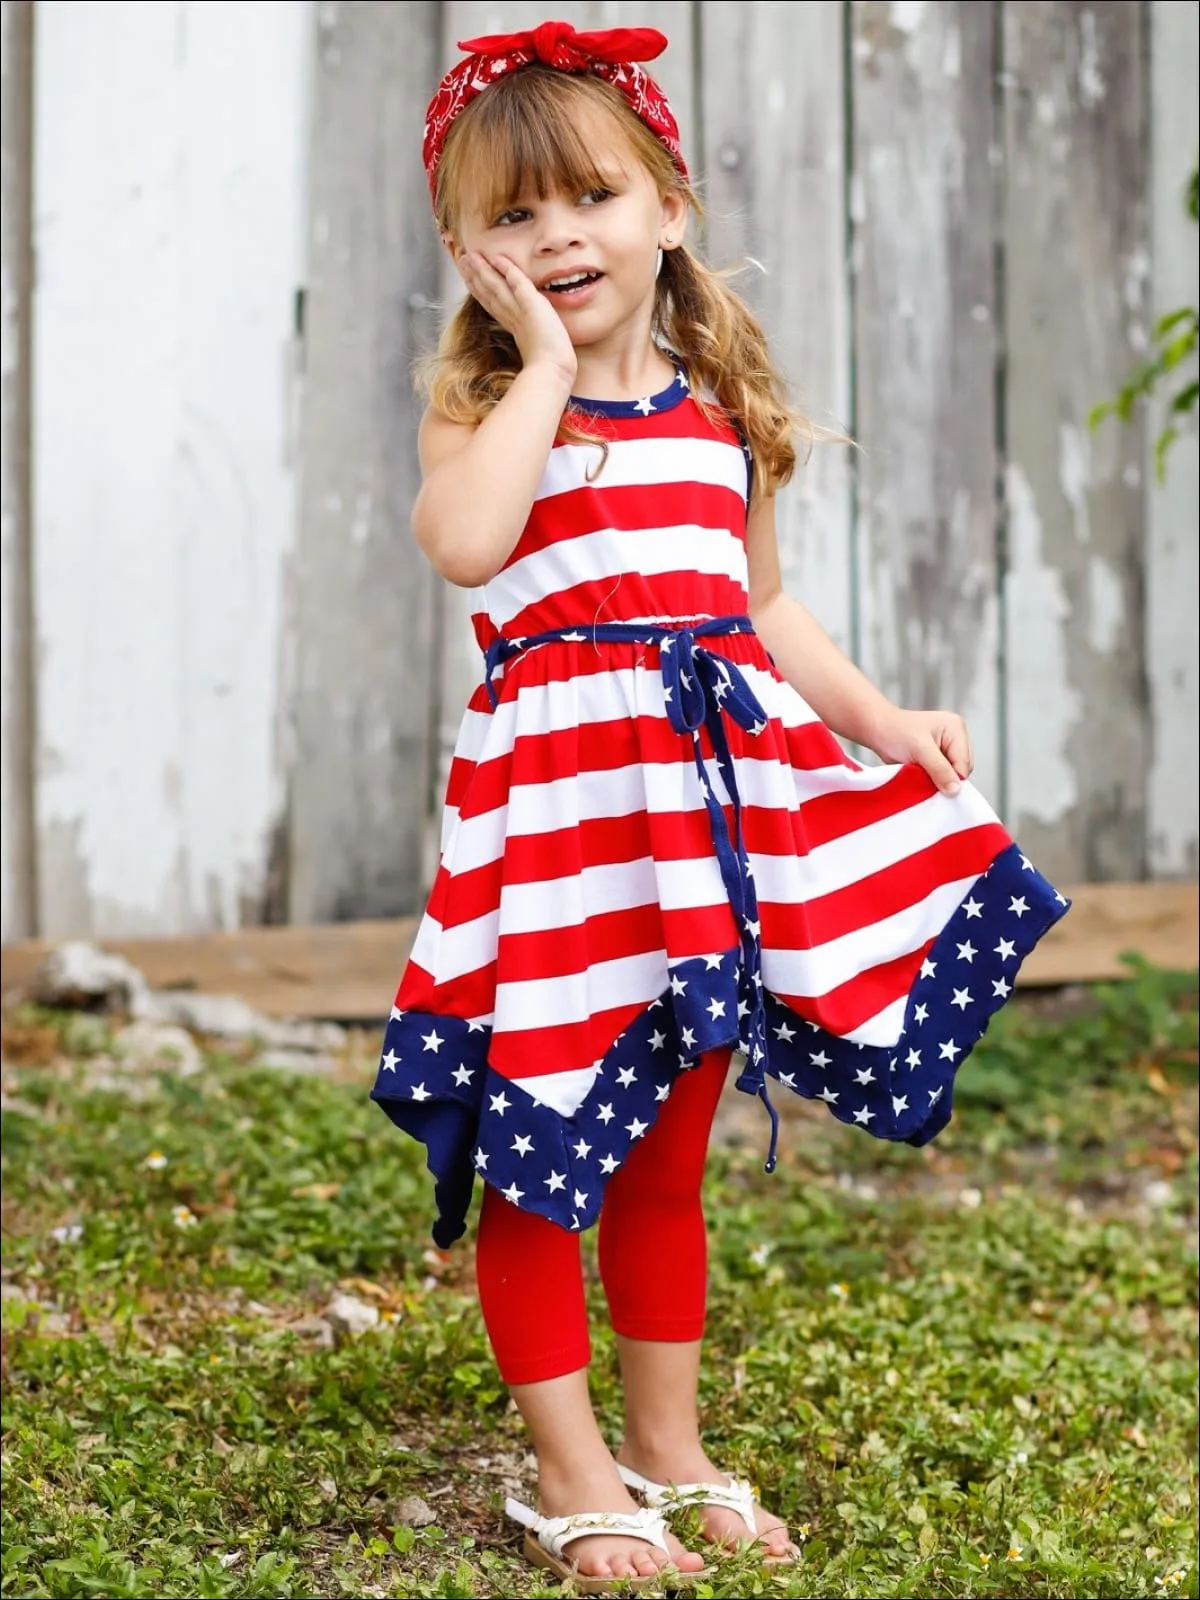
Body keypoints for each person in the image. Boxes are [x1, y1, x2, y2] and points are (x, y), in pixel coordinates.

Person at [372, 19, 1069, 1591]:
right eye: (515, 216)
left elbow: (759, 612)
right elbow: (466, 548)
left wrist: (881, 719)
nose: (559, 235)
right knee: (545, 1146)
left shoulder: (713, 420)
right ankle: (568, 1472)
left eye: (593, 198)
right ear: (469, 254)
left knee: (666, 1156)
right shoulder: (489, 424)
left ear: (667, 210)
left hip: (699, 850)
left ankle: (668, 1447)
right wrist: (543, 370)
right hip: (562, 852)